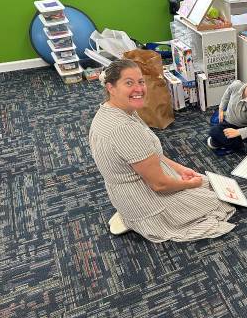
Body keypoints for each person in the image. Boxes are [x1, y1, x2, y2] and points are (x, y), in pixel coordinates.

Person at [89, 59, 235, 242]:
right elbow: (159, 185)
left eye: (140, 82)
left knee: (211, 184)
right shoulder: (124, 129)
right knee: (217, 202)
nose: (139, 88)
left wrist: (180, 169)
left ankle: (133, 215)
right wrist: (190, 185)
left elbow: (152, 155)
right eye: (129, 83)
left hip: (131, 185)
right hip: (142, 197)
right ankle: (139, 220)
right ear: (110, 87)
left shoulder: (112, 110)